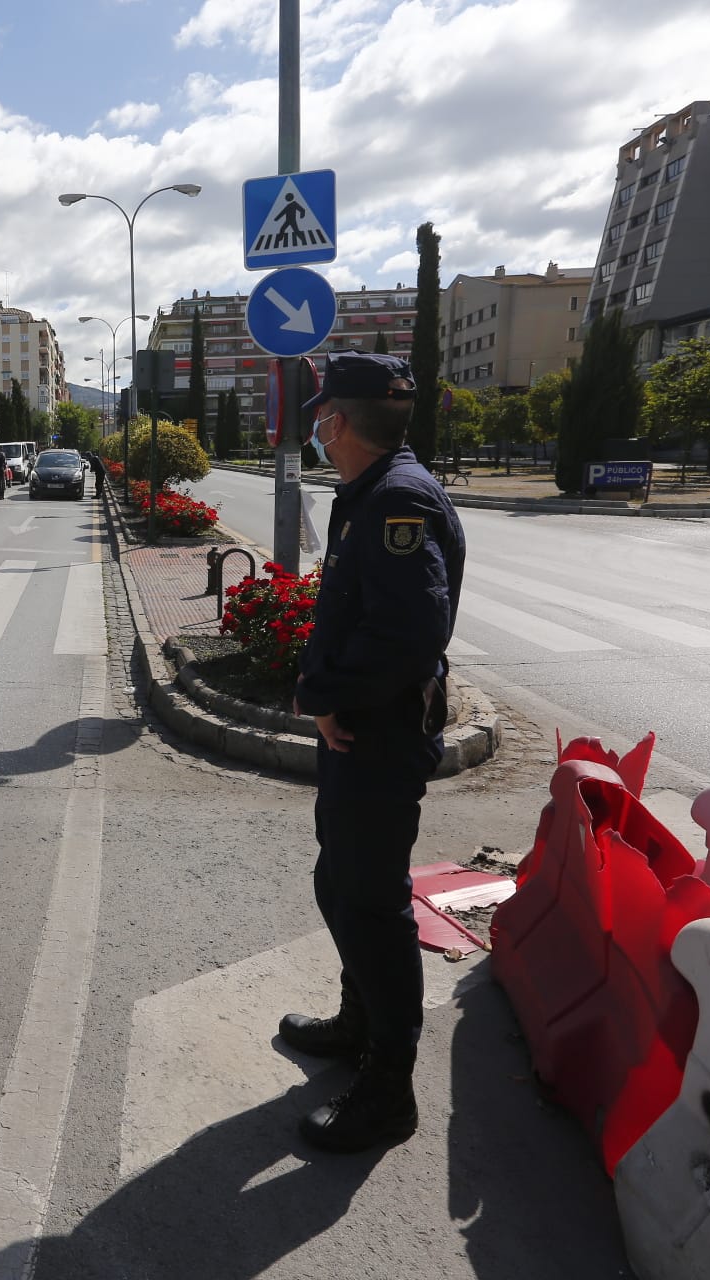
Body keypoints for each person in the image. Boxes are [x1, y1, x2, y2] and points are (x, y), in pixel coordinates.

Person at [279, 350, 466, 1154]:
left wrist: (328, 696)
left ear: (340, 421)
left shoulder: (397, 499)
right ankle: (361, 1021)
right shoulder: (372, 490)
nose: (316, 427)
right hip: (363, 726)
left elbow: (410, 634)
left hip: (378, 733)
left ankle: (389, 1085)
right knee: (341, 882)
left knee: (373, 904)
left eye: (321, 415)